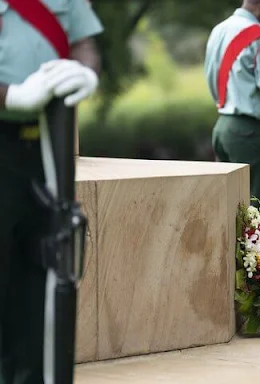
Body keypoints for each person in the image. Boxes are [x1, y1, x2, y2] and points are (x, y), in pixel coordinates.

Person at [0, 1, 103, 382]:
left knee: (42, 280)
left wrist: (84, 71)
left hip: (44, 144)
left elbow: (83, 42)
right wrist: (10, 95)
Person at [204, 0, 260, 208]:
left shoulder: (218, 30)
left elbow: (210, 75)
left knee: (227, 208)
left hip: (223, 127)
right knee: (255, 212)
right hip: (251, 132)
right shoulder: (259, 35)